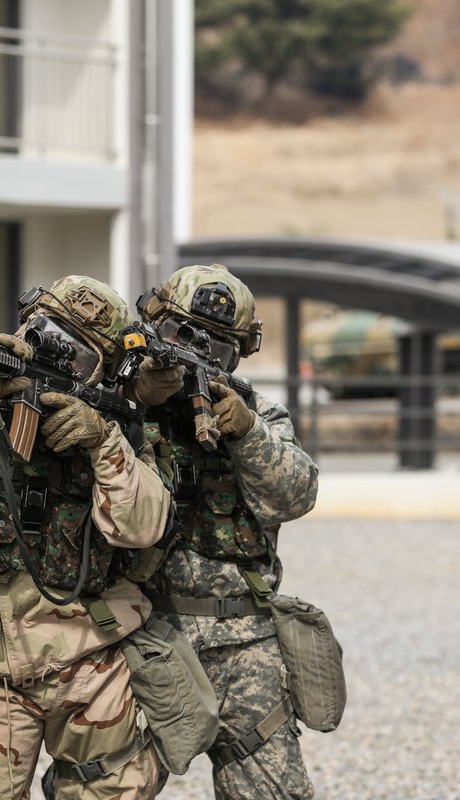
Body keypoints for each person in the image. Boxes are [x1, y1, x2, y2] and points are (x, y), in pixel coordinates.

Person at [0, 275, 171, 800]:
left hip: (88, 656)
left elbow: (143, 525)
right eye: (44, 333)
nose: (53, 356)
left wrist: (103, 441)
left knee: (118, 788)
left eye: (75, 354)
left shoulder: (118, 429)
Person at [131, 264, 320, 799]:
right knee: (108, 784)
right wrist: (136, 402)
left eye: (219, 348)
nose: (198, 354)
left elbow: (295, 496)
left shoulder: (260, 415)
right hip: (144, 634)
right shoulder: (123, 404)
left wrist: (247, 433)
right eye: (182, 335)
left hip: (247, 644)